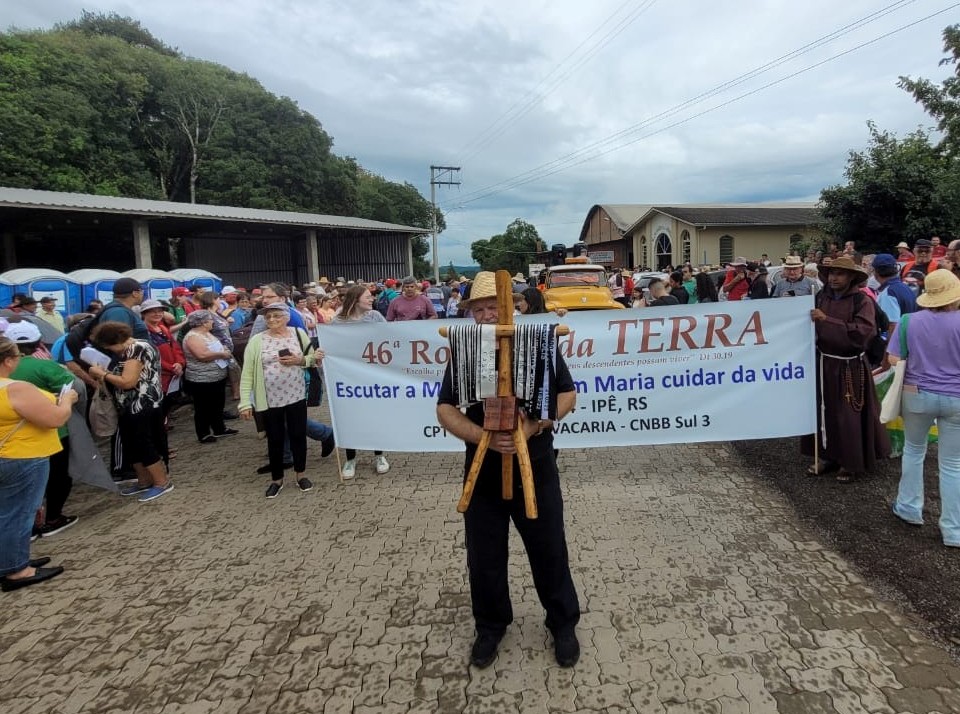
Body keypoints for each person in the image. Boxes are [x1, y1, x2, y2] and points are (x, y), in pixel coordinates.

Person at [436, 271, 580, 669]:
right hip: (481, 469)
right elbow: (445, 408)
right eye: (478, 309)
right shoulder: (465, 350)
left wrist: (534, 426)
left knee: (549, 547)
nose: (485, 315)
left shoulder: (539, 345)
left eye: (493, 307)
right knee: (484, 555)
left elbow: (568, 394)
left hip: (534, 464)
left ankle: (563, 622)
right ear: (471, 315)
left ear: (513, 309)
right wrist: (483, 435)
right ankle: (490, 626)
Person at [888, 269, 960, 547]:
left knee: (914, 450)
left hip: (916, 394)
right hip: (956, 396)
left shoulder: (909, 322)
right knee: (953, 465)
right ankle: (953, 530)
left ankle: (909, 507)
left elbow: (894, 358)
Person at [0, 335, 77, 591]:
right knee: (19, 514)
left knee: (7, 512)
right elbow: (55, 418)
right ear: (9, 360)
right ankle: (17, 570)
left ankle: (12, 559)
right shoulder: (14, 388)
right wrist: (67, 400)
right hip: (22, 455)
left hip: (7, 455)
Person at [804, 257, 889, 482]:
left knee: (848, 414)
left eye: (840, 274)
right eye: (831, 273)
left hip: (850, 365)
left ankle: (849, 462)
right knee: (824, 410)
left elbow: (863, 333)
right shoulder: (821, 296)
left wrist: (827, 320)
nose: (834, 277)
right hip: (824, 362)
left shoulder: (862, 301)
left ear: (851, 277)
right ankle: (826, 455)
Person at [6, 321, 78, 537]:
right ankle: (53, 517)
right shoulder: (45, 366)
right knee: (58, 476)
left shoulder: (8, 372)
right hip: (49, 434)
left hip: (10, 443)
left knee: (17, 494)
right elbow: (73, 387)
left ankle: (28, 528)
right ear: (38, 342)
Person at [238, 302, 317, 498]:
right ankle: (277, 479)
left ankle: (301, 475)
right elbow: (247, 373)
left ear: (287, 317)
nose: (272, 320)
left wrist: (299, 360)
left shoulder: (298, 333)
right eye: (268, 317)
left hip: (296, 395)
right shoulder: (257, 340)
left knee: (298, 435)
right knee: (275, 439)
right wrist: (245, 402)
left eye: (277, 316)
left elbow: (312, 358)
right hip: (269, 399)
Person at [87, 322, 172, 502]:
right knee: (131, 445)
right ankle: (143, 481)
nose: (112, 351)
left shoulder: (136, 349)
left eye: (110, 346)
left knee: (144, 444)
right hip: (130, 405)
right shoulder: (135, 347)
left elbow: (128, 382)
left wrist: (101, 374)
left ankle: (161, 482)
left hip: (141, 404)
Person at [332, 285, 391, 479]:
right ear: (356, 299)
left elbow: (391, 338)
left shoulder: (375, 317)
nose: (372, 299)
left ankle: (379, 455)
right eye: (368, 296)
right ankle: (350, 458)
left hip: (373, 375)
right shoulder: (338, 321)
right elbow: (331, 346)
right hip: (348, 377)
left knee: (375, 415)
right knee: (350, 417)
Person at [182, 310, 236, 444]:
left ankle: (219, 428)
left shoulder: (206, 333)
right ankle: (203, 433)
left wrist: (224, 350)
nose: (212, 322)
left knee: (217, 403)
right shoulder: (193, 337)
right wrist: (222, 355)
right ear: (203, 323)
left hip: (216, 375)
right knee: (203, 407)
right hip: (201, 378)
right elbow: (202, 355)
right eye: (210, 320)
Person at [141, 300, 185, 432]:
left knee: (166, 407)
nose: (157, 313)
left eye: (160, 311)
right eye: (152, 311)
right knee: (157, 409)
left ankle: (162, 435)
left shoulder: (163, 328)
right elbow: (149, 356)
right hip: (157, 377)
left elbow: (175, 348)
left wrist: (180, 363)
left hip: (171, 376)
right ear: (144, 313)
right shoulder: (143, 332)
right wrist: (172, 367)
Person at [873, 254, 918, 324]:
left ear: (876, 272)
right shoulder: (906, 288)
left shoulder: (889, 292)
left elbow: (892, 325)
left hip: (899, 334)